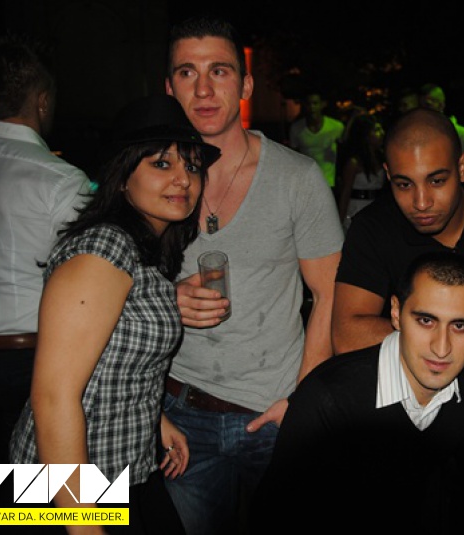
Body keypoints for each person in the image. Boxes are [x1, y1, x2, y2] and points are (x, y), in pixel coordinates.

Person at [162, 16, 344, 534]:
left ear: (244, 85)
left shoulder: (296, 178)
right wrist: (165, 298)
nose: (203, 89)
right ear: (169, 88)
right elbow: (114, 288)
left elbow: (329, 294)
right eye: (187, 73)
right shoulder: (149, 179)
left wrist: (302, 405)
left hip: (272, 412)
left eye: (218, 71)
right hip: (179, 413)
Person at [8, 93, 220, 534]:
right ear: (123, 177)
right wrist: (82, 524)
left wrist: (157, 420)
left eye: (192, 166)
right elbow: (53, 397)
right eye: (162, 163)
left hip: (121, 469)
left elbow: (114, 358)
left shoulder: (143, 250)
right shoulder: (104, 249)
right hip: (65, 487)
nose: (183, 179)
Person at [252, 251, 464, 533]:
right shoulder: (328, 398)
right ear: (396, 314)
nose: (441, 348)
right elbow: (276, 513)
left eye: (459, 326)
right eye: (426, 321)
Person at [332, 106, 464, 439]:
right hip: (399, 393)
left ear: (462, 167)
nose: (421, 202)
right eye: (404, 184)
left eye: (436, 180)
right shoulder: (375, 228)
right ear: (388, 174)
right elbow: (347, 332)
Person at [0, 34, 93, 471]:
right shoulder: (61, 181)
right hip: (30, 364)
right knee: (61, 489)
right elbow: (91, 285)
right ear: (43, 101)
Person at [419, 82, 464, 177]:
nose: (425, 110)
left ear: (441, 105)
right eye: (422, 105)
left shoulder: (460, 133)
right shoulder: (418, 133)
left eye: (429, 104)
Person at [335, 113, 386, 231]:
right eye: (376, 130)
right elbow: (345, 192)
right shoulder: (354, 162)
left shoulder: (382, 157)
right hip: (356, 210)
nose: (382, 133)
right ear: (366, 135)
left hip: (376, 210)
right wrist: (339, 223)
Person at [288, 88, 345, 190]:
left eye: (315, 103)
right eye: (308, 104)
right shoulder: (296, 128)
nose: (312, 107)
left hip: (329, 182)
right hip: (306, 182)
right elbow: (293, 155)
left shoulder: (336, 127)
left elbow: (344, 153)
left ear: (323, 104)